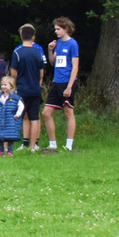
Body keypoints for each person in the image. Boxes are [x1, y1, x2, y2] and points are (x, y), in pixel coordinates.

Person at [9, 24, 47, 152]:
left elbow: (14, 73)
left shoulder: (17, 52)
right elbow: (42, 73)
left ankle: (21, 143)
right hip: (35, 89)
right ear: (33, 37)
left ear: (21, 36)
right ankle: (32, 145)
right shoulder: (38, 52)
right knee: (34, 117)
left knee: (23, 115)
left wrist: (14, 86)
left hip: (22, 90)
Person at [43, 17, 79, 152]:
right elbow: (53, 63)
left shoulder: (73, 44)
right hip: (56, 82)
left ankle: (69, 145)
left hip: (67, 82)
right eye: (55, 29)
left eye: (58, 29)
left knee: (68, 113)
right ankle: (53, 145)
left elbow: (75, 67)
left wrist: (69, 86)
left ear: (66, 29)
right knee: (46, 113)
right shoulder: (58, 43)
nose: (56, 32)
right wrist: (50, 50)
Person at [0, 77, 24, 156]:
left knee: (10, 136)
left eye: (5, 85)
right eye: (2, 85)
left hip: (10, 120)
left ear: (11, 86)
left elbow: (21, 106)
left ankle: (10, 151)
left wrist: (17, 114)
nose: (3, 87)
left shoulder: (15, 98)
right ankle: (1, 151)